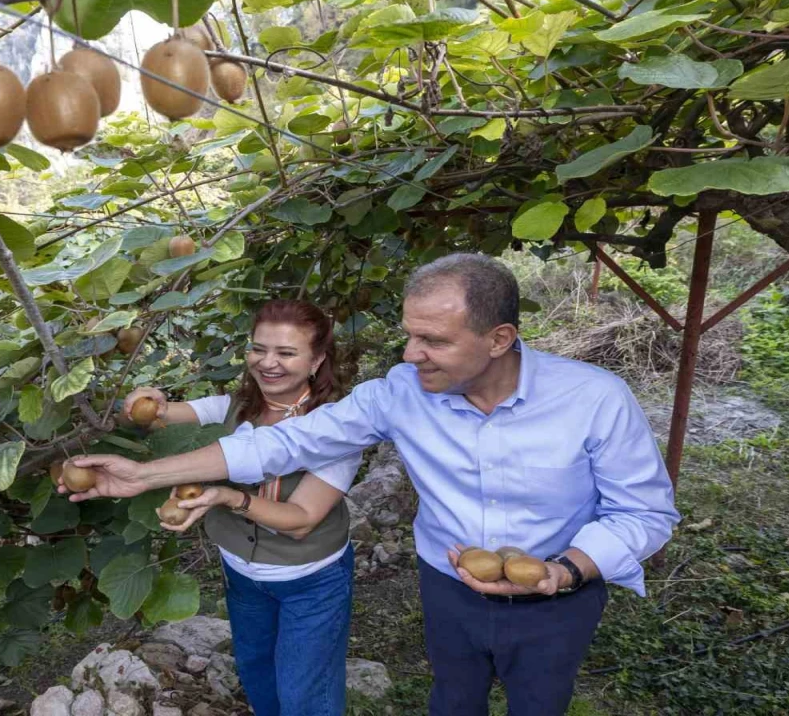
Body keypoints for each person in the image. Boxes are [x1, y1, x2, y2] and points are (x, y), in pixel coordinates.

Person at [64, 254, 681, 716]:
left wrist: (565, 571)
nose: (411, 354)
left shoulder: (594, 399)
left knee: (539, 704)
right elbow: (283, 443)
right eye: (410, 334)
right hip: (448, 586)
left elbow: (645, 513)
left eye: (433, 340)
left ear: (499, 339)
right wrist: (144, 475)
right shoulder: (400, 393)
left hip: (559, 594)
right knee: (453, 699)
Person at [124, 299, 361, 716]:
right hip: (242, 575)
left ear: (316, 360)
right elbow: (157, 415)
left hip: (311, 582)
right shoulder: (232, 407)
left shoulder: (338, 427)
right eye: (258, 349)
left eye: (286, 353)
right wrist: (146, 400)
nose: (267, 363)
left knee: (305, 694)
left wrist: (230, 497)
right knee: (256, 672)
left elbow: (301, 521)